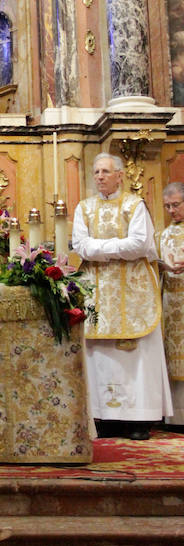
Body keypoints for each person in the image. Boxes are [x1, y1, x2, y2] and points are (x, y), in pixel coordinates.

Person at [72, 152, 172, 440]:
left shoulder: (134, 205)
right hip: (98, 291)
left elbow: (139, 244)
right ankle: (105, 417)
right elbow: (80, 245)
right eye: (96, 172)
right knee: (100, 355)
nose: (100, 176)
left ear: (119, 175)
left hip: (133, 290)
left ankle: (139, 418)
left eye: (106, 171)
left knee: (136, 353)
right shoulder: (85, 208)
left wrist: (101, 248)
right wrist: (116, 248)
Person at [159, 182, 184, 427]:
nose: (171, 210)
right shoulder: (165, 233)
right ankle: (176, 416)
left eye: (176, 205)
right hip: (171, 301)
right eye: (167, 206)